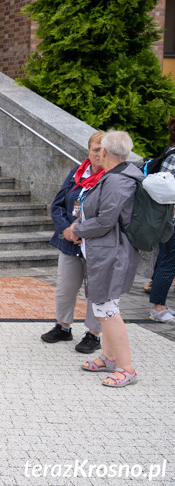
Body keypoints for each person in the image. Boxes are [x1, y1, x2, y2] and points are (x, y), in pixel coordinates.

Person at [67, 130, 144, 387]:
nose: (96, 153)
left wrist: (75, 230)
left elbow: (106, 220)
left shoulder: (117, 180)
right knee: (104, 308)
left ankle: (126, 368)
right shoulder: (116, 177)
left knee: (109, 310)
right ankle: (110, 358)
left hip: (112, 252)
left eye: (100, 149)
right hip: (107, 250)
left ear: (106, 153)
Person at [40, 132, 105, 353]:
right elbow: (57, 205)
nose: (99, 153)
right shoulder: (77, 172)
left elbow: (108, 215)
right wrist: (67, 230)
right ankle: (63, 327)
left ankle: (93, 334)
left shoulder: (111, 178)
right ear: (88, 150)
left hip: (96, 244)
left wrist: (83, 232)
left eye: (103, 150)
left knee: (96, 291)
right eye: (95, 149)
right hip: (69, 241)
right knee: (65, 288)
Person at [146, 119, 175, 325]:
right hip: (172, 220)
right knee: (168, 263)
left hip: (169, 220)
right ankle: (158, 309)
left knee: (166, 262)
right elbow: (166, 189)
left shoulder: (170, 151)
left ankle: (160, 306)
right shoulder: (173, 156)